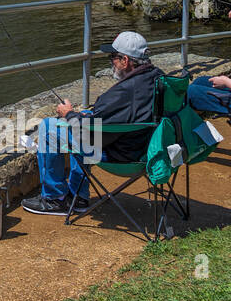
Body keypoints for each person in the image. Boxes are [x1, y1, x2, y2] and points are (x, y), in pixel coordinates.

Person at [22, 31, 160, 216]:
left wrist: (69, 114)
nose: (111, 62)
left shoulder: (124, 93)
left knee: (48, 127)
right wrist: (83, 116)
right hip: (145, 147)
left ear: (125, 61)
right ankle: (79, 197)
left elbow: (90, 134)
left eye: (113, 57)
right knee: (85, 114)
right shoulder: (158, 78)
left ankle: (54, 199)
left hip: (122, 155)